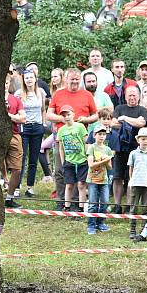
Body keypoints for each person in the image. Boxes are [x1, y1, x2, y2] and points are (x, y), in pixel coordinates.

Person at [47, 68, 97, 208]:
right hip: (62, 138)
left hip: (80, 138)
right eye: (72, 79)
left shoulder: (87, 94)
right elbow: (49, 115)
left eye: (77, 79)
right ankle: (61, 200)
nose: (74, 81)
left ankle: (76, 202)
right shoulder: (58, 94)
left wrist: (85, 119)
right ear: (66, 79)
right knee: (61, 169)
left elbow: (96, 115)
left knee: (79, 170)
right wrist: (63, 118)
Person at [111, 85, 147, 213]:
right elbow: (113, 123)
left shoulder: (142, 110)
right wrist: (133, 121)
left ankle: (128, 206)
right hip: (120, 148)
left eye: (134, 95)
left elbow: (141, 123)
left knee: (132, 178)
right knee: (117, 177)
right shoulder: (119, 108)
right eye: (129, 95)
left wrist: (125, 119)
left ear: (139, 96)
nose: (132, 97)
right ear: (125, 96)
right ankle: (117, 205)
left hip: (136, 149)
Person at [16, 68, 48, 197]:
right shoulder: (19, 93)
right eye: (27, 78)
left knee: (33, 159)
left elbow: (43, 110)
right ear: (23, 80)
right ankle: (17, 186)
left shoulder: (40, 92)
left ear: (35, 79)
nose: (29, 80)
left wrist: (43, 124)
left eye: (31, 77)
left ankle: (30, 187)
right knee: (21, 158)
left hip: (37, 127)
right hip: (24, 127)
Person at [127, 127, 147, 238]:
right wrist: (131, 180)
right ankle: (132, 230)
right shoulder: (133, 153)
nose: (145, 141)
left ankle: (143, 230)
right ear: (138, 140)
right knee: (133, 207)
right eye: (143, 139)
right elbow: (131, 167)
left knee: (146, 208)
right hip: (135, 183)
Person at [86, 125, 113, 235]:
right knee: (93, 203)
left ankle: (100, 223)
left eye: (103, 134)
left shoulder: (107, 149)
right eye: (99, 134)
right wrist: (104, 160)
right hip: (93, 179)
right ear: (94, 135)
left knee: (105, 202)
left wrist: (107, 161)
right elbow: (91, 164)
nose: (102, 136)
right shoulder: (92, 147)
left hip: (104, 180)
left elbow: (110, 167)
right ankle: (91, 225)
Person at [4, 75, 25, 208]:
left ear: (9, 83)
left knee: (17, 169)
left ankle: (9, 198)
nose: (3, 85)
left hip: (14, 135)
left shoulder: (15, 100)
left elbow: (23, 118)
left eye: (6, 82)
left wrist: (10, 116)